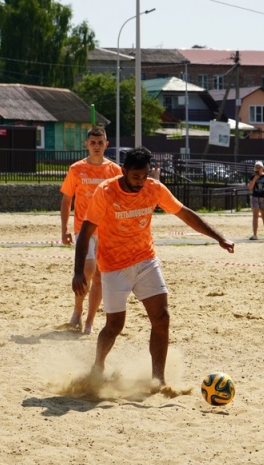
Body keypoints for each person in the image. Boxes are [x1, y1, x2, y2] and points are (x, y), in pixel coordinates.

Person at [72, 146, 234, 387]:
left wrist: (218, 237)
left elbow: (184, 213)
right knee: (114, 326)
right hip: (114, 266)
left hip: (145, 260)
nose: (140, 181)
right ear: (124, 171)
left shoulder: (153, 188)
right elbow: (85, 232)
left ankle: (158, 379)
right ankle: (98, 366)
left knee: (162, 317)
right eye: (135, 176)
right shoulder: (105, 192)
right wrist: (78, 271)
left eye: (144, 175)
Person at [59, 126, 121, 334]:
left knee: (100, 277)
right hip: (83, 230)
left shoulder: (114, 170)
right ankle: (78, 309)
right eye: (92, 142)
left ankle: (89, 321)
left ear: (106, 144)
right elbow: (67, 199)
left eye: (100, 142)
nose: (96, 146)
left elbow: (121, 200)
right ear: (86, 144)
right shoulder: (76, 169)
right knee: (87, 271)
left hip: (107, 231)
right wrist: (64, 229)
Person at [247, 161, 264, 239]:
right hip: (255, 197)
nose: (258, 168)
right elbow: (250, 187)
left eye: (259, 167)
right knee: (255, 216)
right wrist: (255, 179)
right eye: (257, 167)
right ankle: (255, 234)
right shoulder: (253, 176)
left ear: (262, 168)